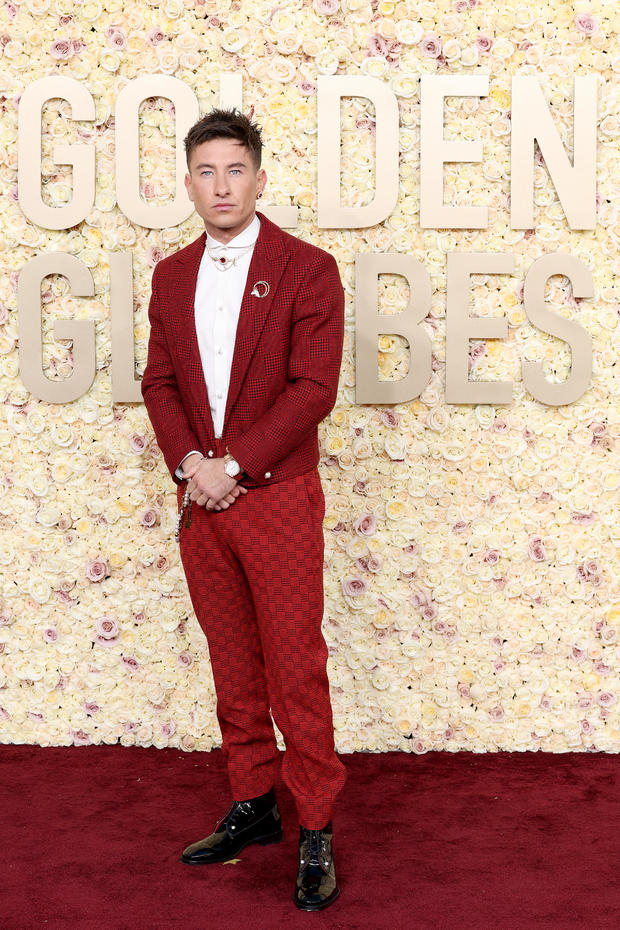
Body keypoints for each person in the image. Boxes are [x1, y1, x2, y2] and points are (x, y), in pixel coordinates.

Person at [141, 107, 346, 911]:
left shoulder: (308, 268)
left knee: (296, 669)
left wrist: (236, 464)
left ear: (260, 179)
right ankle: (254, 806)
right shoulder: (169, 276)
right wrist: (193, 465)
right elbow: (159, 384)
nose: (221, 185)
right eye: (206, 171)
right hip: (203, 500)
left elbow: (313, 389)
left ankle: (317, 829)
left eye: (235, 170)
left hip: (278, 498)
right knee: (233, 665)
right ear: (188, 182)